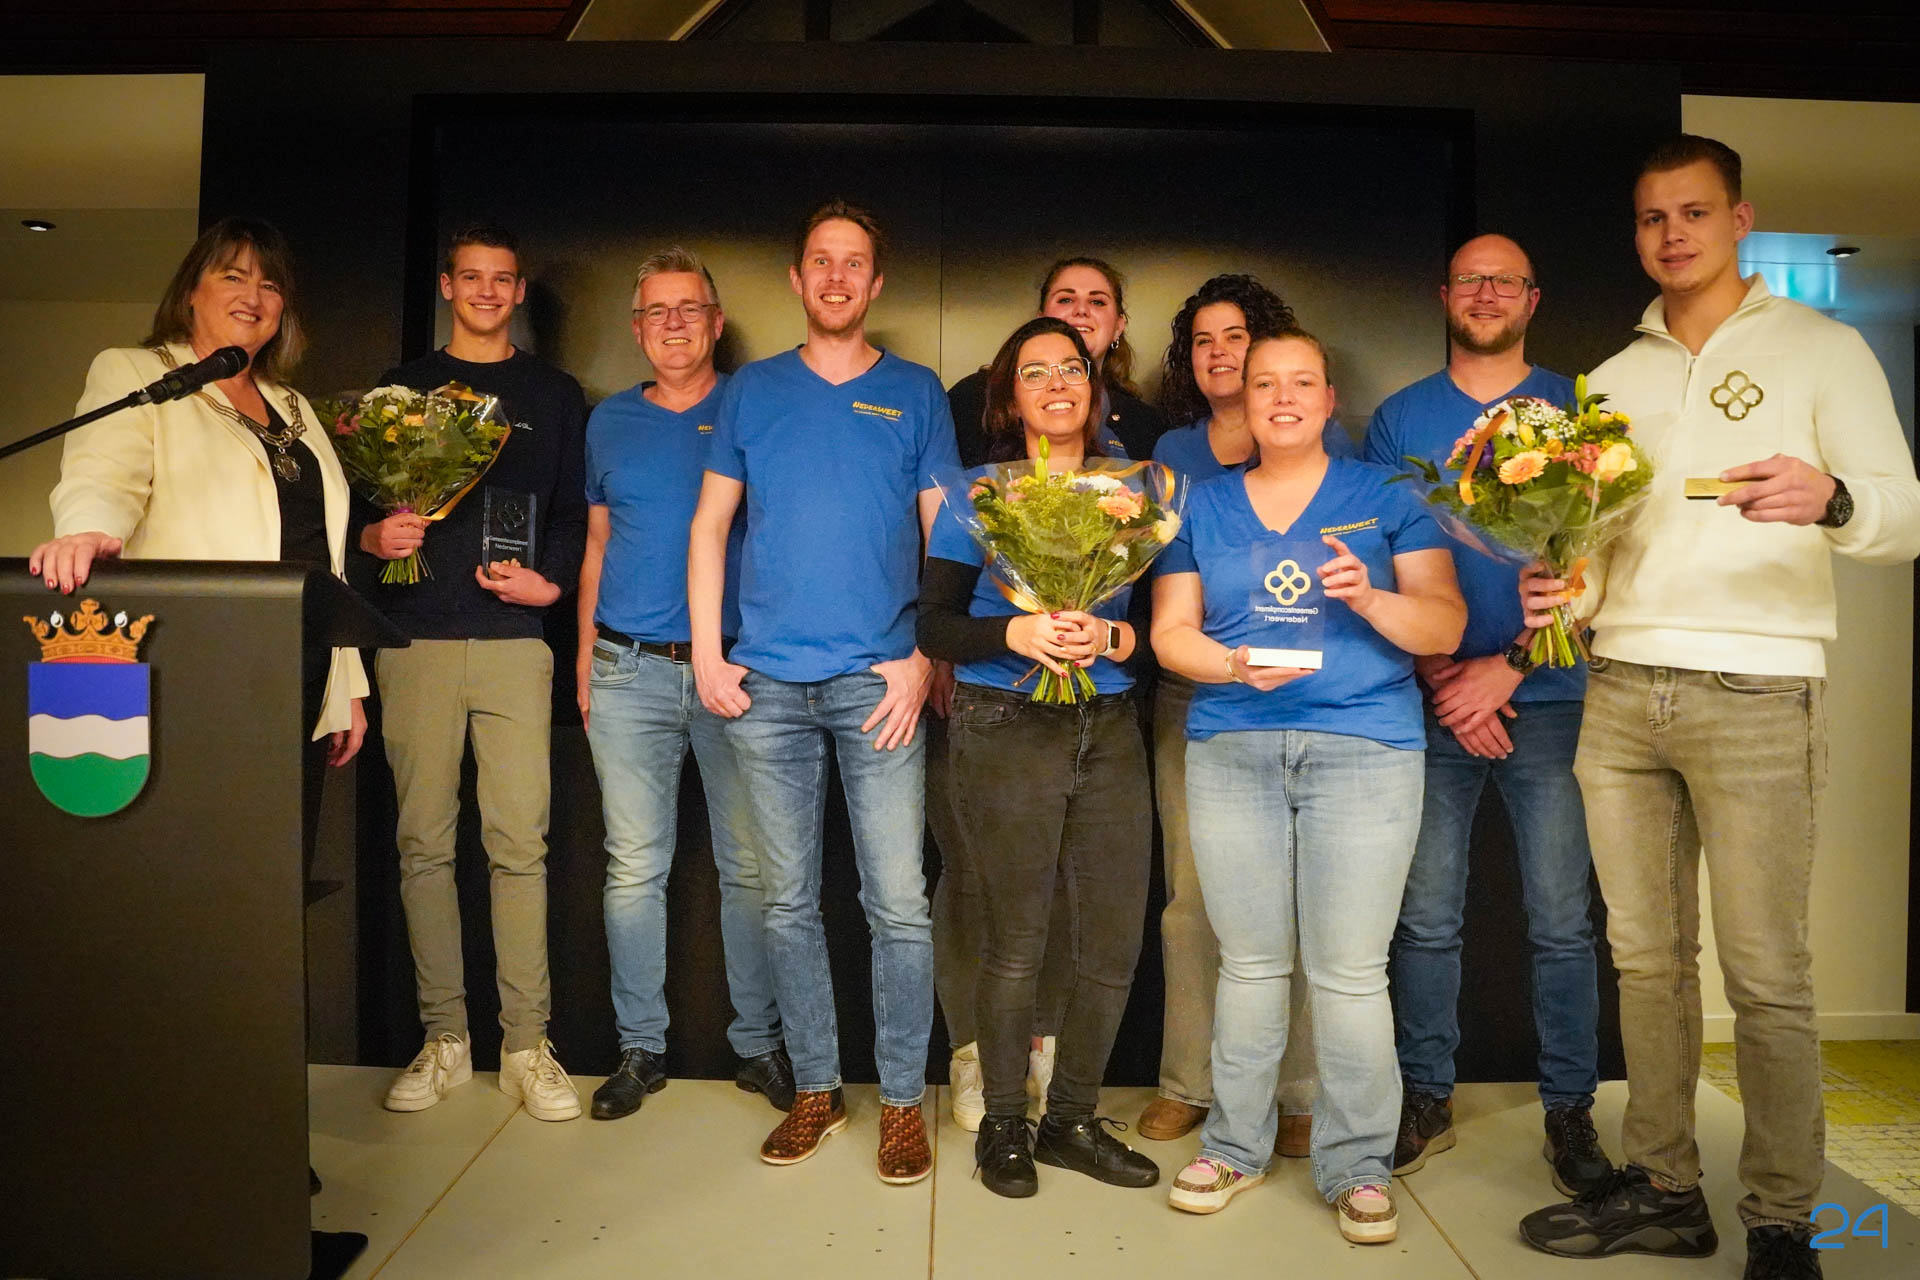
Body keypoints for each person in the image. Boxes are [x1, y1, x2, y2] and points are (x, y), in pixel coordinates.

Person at [1515, 136, 1920, 1280]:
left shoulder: (1824, 347)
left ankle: (1783, 1221)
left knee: (1768, 976)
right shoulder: (1611, 381)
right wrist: (1564, 591)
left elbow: (1904, 513)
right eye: (1653, 217)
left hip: (1758, 686)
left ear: (1739, 219)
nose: (1672, 234)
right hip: (1620, 688)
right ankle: (1666, 1187)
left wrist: (1833, 496)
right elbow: (1599, 549)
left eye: (1693, 212)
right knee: (1647, 961)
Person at [31, 215, 370, 1197]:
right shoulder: (142, 375)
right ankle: (174, 1132)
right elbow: (102, 472)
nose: (252, 296)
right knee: (195, 921)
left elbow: (321, 556)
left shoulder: (294, 409)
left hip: (297, 686)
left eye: (269, 283)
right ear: (192, 291)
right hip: (202, 689)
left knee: (267, 923)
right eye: (232, 276)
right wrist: (85, 530)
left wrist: (347, 683)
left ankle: (254, 1135)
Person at [1152, 331, 1464, 1242]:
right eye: (1264, 384)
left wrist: (1367, 597)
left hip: (1365, 750)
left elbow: (1443, 626)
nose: (1282, 398)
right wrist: (1228, 663)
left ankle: (1359, 1166)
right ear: (1243, 402)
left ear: (1330, 400)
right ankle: (1233, 1147)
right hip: (1233, 746)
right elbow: (1171, 633)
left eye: (1301, 383)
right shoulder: (1201, 505)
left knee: (1350, 973)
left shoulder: (1387, 496)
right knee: (1248, 964)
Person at [688, 199, 959, 1185]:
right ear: (797, 280)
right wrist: (711, 656)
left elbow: (946, 533)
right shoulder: (754, 392)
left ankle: (901, 1102)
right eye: (820, 261)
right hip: (766, 688)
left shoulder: (915, 391)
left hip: (877, 684)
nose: (836, 276)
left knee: (898, 905)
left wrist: (924, 656)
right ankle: (815, 1089)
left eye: (854, 263)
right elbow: (710, 525)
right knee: (787, 904)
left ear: (874, 284)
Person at [1363, 234, 1611, 1196]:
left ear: (1533, 299)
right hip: (1432, 704)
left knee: (1562, 922)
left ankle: (1571, 1110)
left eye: (1505, 280)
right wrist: (1444, 679)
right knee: (1425, 919)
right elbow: (1381, 557)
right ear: (1444, 295)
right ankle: (1426, 1096)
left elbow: (1602, 561)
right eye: (1469, 278)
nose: (1486, 293)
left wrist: (1503, 672)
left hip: (1549, 698)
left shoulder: (1579, 412)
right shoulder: (1401, 418)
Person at [917, 316, 1159, 1198]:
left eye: (1072, 369)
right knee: (1015, 940)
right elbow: (935, 625)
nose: (1057, 384)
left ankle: (1071, 1122)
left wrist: (1113, 636)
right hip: (1005, 723)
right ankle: (1006, 1126)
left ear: (1095, 389)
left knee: (1112, 940)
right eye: (1035, 372)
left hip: (1111, 729)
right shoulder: (977, 497)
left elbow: (1161, 633)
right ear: (1009, 397)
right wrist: (1016, 632)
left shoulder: (1135, 495)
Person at [357, 225, 588, 1124]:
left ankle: (526, 1045)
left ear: (520, 291)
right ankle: (444, 1038)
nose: (488, 291)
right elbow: (356, 512)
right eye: (472, 278)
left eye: (503, 279)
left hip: (514, 642)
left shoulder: (553, 394)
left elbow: (571, 516)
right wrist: (377, 538)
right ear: (449, 287)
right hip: (412, 638)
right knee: (423, 844)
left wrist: (551, 584)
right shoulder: (401, 388)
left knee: (519, 846)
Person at [574, 246, 793, 1122]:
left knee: (752, 870)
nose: (673, 324)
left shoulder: (753, 409)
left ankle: (759, 1047)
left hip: (735, 672)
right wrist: (585, 656)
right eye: (656, 311)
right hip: (625, 671)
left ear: (715, 322)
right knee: (634, 868)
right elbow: (597, 544)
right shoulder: (609, 422)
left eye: (688, 308)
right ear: (637, 329)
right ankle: (641, 1048)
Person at [1137, 273, 1324, 1150]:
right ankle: (1190, 1081)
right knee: (1192, 898)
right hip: (1195, 691)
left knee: (1296, 896)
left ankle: (1297, 1093)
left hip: (1300, 691)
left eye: (1236, 337)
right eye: (1204, 339)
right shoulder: (1173, 449)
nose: (1220, 353)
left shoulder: (1310, 431)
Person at [946, 256, 1167, 464]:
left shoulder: (1144, 423)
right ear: (1040, 318)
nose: (1081, 310)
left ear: (1119, 326)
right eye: (1066, 299)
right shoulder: (973, 397)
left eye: (1097, 301)